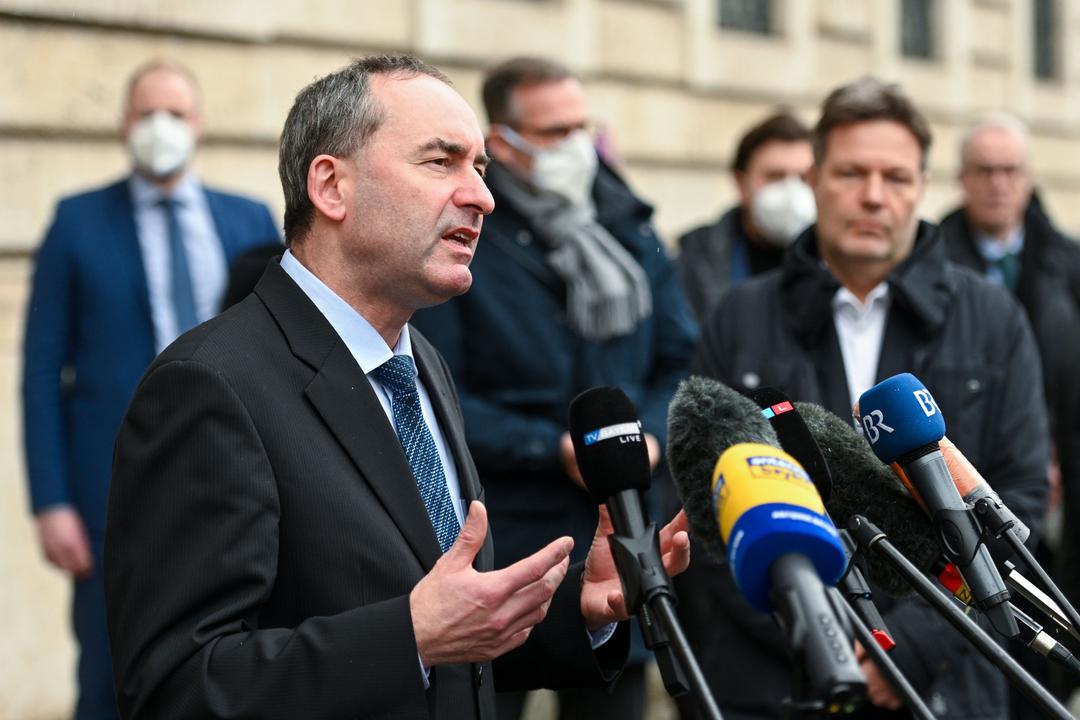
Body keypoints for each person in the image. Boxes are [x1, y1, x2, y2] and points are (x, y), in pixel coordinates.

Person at [104, 54, 691, 720]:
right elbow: (177, 689)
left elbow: (447, 639)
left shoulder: (422, 365)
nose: (481, 196)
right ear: (331, 187)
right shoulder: (208, 387)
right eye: (441, 163)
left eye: (480, 168)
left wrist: (577, 611)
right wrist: (409, 636)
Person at [688, 78, 1048, 719]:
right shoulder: (738, 317)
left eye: (897, 177)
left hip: (947, 685)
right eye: (852, 173)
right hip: (778, 682)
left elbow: (1015, 501)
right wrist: (821, 637)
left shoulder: (994, 318)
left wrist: (907, 645)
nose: (874, 196)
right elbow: (703, 506)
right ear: (815, 178)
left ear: (922, 186)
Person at [411, 56, 699, 720]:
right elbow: (436, 388)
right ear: (503, 141)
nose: (576, 148)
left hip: (622, 523)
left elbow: (679, 356)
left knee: (613, 690)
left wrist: (649, 435)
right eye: (553, 132)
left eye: (581, 127)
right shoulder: (466, 233)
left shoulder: (624, 219)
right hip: (507, 529)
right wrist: (550, 446)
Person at [21, 59, 278, 719]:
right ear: (122, 123)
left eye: (177, 113)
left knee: (226, 671)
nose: (161, 126)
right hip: (109, 494)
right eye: (146, 112)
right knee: (109, 679)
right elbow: (43, 368)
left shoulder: (248, 219)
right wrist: (52, 502)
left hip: (229, 481)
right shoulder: (77, 223)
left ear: (200, 124)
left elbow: (280, 348)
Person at [938, 113, 1080, 714]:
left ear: (1028, 178)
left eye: (1011, 170)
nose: (999, 183)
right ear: (962, 178)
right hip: (974, 482)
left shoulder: (1066, 263)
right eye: (985, 170)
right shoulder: (934, 265)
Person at [677, 111, 814, 324]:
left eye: (804, 178)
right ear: (741, 184)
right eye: (775, 176)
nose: (792, 191)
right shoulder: (697, 261)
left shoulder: (838, 259)